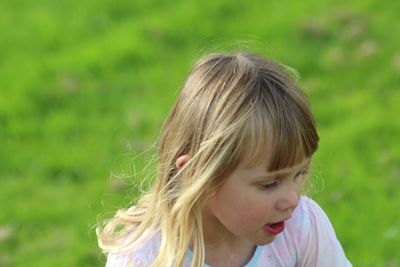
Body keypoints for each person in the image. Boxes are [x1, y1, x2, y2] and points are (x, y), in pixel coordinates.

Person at [97, 51, 352, 266]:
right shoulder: (145, 258)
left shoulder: (302, 229)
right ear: (197, 175)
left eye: (299, 174)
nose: (292, 200)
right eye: (269, 184)